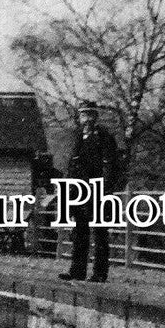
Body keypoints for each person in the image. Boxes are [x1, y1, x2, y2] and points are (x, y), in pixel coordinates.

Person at [61, 100, 119, 283]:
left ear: (95, 117)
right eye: (83, 115)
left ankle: (100, 273)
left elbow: (110, 165)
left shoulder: (104, 137)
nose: (87, 119)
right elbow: (72, 165)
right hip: (80, 191)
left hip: (98, 191)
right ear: (80, 118)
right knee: (80, 232)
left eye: (90, 115)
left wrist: (105, 189)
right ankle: (77, 271)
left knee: (100, 233)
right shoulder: (78, 137)